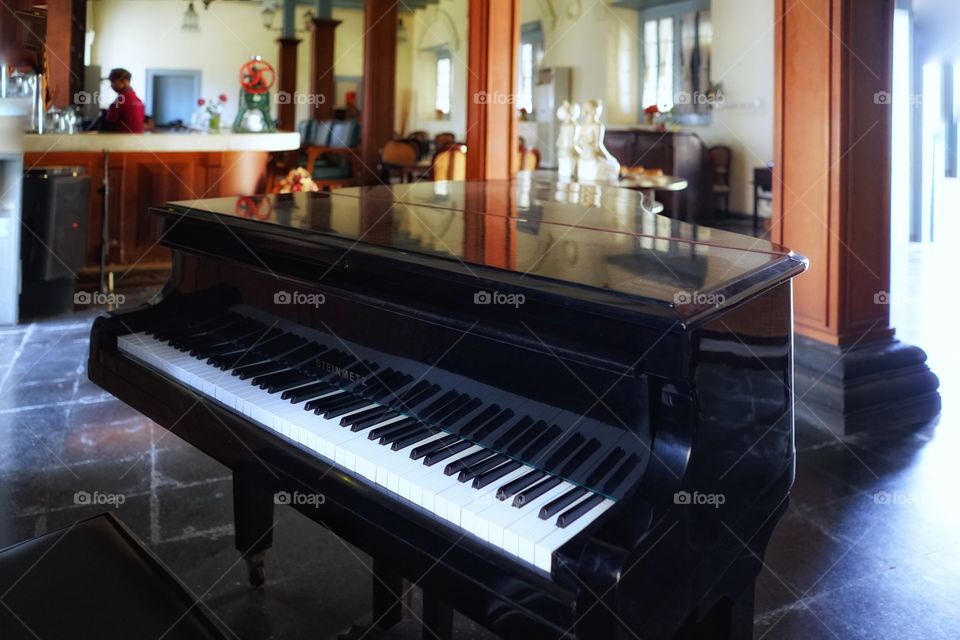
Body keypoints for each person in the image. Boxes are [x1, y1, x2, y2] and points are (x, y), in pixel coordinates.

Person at [101, 68, 145, 133]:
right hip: (137, 141)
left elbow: (108, 126)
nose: (111, 85)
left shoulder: (119, 101)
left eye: (114, 82)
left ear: (125, 81)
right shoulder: (139, 101)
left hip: (122, 140)